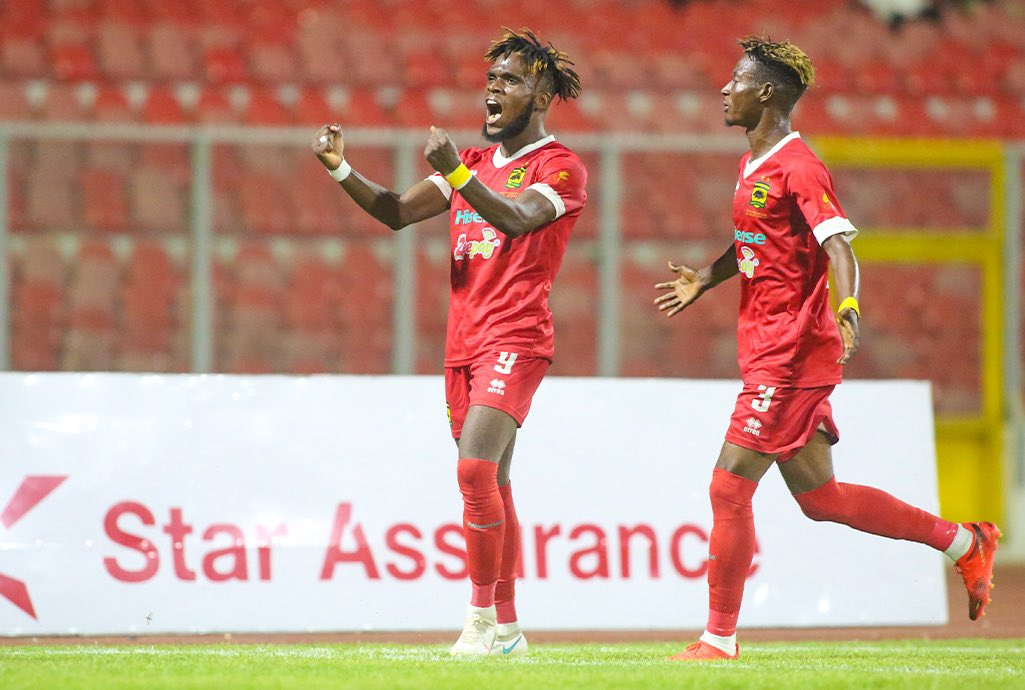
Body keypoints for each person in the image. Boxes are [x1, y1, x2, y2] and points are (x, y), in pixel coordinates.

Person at [653, 35, 1000, 661]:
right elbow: (763, 242)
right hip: (766, 348)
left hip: (790, 353)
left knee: (728, 488)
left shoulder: (801, 166)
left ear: (766, 93)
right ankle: (965, 543)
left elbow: (838, 244)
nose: (723, 89)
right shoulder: (754, 164)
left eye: (736, 80)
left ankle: (718, 640)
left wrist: (847, 307)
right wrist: (708, 276)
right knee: (821, 500)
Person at [311, 28, 586, 657]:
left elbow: (516, 219)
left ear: (540, 92)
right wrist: (342, 170)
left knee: (473, 470)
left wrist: (458, 173)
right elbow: (395, 212)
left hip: (515, 335)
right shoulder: (476, 162)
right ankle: (512, 629)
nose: (493, 89)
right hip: (463, 342)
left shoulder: (561, 166)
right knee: (496, 481)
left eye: (510, 79)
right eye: (491, 80)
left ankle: (480, 620)